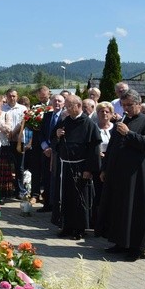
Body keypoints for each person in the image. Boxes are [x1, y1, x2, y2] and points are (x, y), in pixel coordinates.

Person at [98, 89, 145, 261]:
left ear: (139, 104)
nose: (126, 109)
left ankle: (136, 248)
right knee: (120, 207)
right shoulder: (123, 120)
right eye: (123, 105)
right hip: (118, 173)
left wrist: (129, 134)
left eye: (129, 105)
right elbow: (112, 146)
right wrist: (105, 168)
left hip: (137, 174)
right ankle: (120, 242)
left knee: (136, 209)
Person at [52, 95, 101, 240]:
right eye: (66, 106)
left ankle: (79, 229)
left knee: (79, 199)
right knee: (65, 197)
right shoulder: (65, 121)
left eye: (68, 106)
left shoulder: (89, 124)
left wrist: (89, 169)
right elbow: (54, 141)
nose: (66, 109)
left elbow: (94, 149)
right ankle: (66, 226)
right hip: (65, 166)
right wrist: (57, 135)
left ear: (78, 106)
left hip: (81, 166)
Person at [39, 94, 65, 215]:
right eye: (55, 101)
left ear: (63, 104)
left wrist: (53, 148)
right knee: (45, 177)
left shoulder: (65, 117)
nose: (57, 103)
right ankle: (47, 203)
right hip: (46, 151)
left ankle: (56, 205)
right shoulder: (47, 115)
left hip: (58, 152)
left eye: (59, 101)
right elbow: (42, 133)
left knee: (56, 178)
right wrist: (45, 147)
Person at [92, 101, 114, 230]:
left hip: (112, 163)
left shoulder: (116, 128)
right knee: (99, 193)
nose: (104, 114)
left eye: (107, 111)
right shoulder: (94, 127)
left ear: (111, 114)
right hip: (98, 162)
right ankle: (98, 222)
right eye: (101, 111)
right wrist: (97, 152)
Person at [2, 89, 27, 199]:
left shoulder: (23, 109)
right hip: (6, 141)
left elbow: (23, 122)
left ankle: (20, 190)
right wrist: (8, 134)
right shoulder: (2, 109)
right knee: (6, 167)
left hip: (19, 141)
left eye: (14, 96)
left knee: (19, 167)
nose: (12, 98)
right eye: (10, 96)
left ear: (17, 97)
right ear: (6, 97)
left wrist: (13, 133)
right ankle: (6, 190)